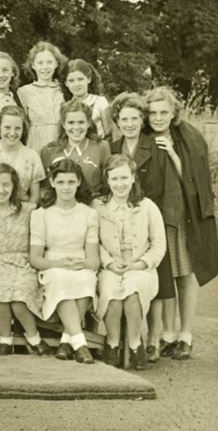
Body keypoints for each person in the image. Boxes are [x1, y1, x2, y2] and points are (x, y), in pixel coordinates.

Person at [143, 86, 218, 360]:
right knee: (165, 277)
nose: (158, 117)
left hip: (183, 216)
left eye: (164, 112)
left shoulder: (189, 138)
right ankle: (168, 333)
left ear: (174, 112)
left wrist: (173, 155)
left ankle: (186, 334)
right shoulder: (143, 137)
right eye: (153, 112)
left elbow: (195, 180)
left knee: (185, 275)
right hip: (155, 216)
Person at [108, 92, 182, 362]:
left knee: (158, 279)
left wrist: (161, 217)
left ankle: (154, 337)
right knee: (121, 280)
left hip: (151, 216)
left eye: (135, 119)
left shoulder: (156, 146)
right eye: (124, 119)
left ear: (142, 121)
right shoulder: (112, 148)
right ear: (117, 121)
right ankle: (123, 337)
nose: (129, 124)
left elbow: (169, 186)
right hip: (119, 218)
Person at [93, 155, 166, 370]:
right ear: (107, 180)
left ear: (133, 177)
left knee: (133, 289)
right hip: (110, 267)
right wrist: (108, 263)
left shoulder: (147, 206)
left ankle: (135, 343)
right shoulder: (98, 206)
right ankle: (112, 342)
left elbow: (159, 245)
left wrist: (141, 264)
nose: (120, 184)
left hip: (140, 269)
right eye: (114, 179)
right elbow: (93, 242)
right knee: (112, 293)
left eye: (125, 177)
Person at [29, 159, 100, 364]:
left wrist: (83, 264)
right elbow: (35, 259)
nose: (66, 187)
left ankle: (67, 341)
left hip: (80, 263)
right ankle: (80, 343)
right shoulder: (40, 215)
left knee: (86, 279)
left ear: (78, 182)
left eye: (71, 182)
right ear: (52, 183)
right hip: (52, 265)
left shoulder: (89, 214)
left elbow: (93, 259)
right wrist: (58, 264)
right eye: (60, 182)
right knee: (60, 279)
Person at [0, 163, 48, 356]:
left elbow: (39, 240)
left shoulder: (29, 210)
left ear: (14, 185)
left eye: (6, 185)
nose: (1, 190)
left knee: (19, 297)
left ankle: (35, 339)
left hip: (24, 263)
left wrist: (35, 259)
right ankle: (5, 340)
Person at [0, 105, 45, 203]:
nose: (12, 133)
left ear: (23, 129)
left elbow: (35, 195)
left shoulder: (32, 156)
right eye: (7, 127)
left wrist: (27, 212)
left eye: (17, 128)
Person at [40, 99, 112, 195]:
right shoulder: (49, 151)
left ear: (88, 123)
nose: (76, 127)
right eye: (71, 123)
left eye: (81, 122)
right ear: (63, 124)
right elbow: (45, 188)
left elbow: (108, 183)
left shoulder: (101, 147)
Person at [18, 41, 68, 152]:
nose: (45, 67)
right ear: (33, 65)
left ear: (56, 63)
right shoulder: (24, 91)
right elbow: (21, 123)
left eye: (49, 62)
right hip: (34, 143)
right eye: (40, 63)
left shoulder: (63, 90)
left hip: (60, 142)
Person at [65, 59, 112, 140]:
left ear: (89, 79)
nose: (76, 84)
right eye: (71, 81)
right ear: (66, 83)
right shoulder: (66, 106)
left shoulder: (100, 101)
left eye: (80, 79)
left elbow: (109, 133)